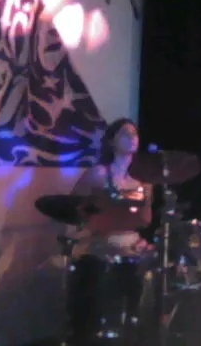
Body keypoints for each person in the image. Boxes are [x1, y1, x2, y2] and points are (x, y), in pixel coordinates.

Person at [68, 118, 153, 344]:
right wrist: (86, 237)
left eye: (135, 133)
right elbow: (72, 209)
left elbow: (145, 221)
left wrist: (146, 198)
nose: (132, 137)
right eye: (125, 133)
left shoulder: (142, 182)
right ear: (112, 141)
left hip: (132, 247)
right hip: (101, 247)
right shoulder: (98, 173)